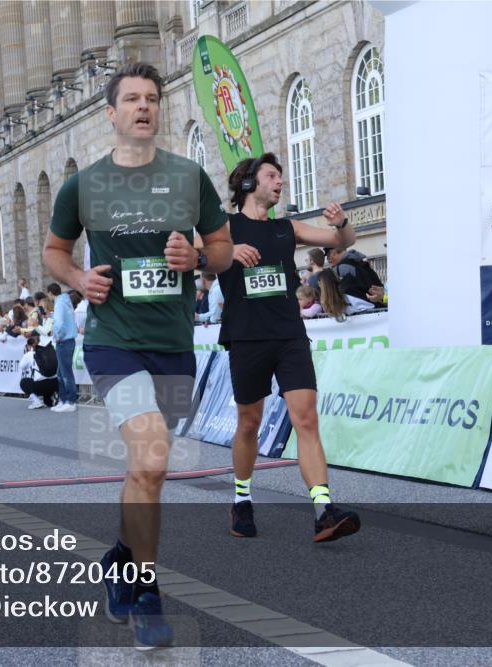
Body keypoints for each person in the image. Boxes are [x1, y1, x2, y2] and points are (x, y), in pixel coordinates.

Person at [43, 62, 233, 649]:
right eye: (131, 99)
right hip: (112, 341)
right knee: (150, 461)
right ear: (112, 113)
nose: (143, 107)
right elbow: (54, 250)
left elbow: (223, 251)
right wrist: (78, 277)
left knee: (144, 470)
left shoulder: (188, 178)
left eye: (152, 98)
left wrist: (197, 260)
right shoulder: (85, 185)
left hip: (173, 343)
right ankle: (147, 593)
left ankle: (123, 556)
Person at [219, 152, 361, 542]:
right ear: (249, 183)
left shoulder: (288, 228)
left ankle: (323, 510)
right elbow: (186, 257)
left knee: (307, 419)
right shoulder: (225, 228)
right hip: (246, 336)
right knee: (249, 422)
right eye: (271, 176)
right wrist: (225, 252)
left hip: (289, 336)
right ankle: (242, 499)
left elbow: (340, 242)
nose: (280, 182)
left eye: (281, 177)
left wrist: (342, 224)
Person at [48, 282, 78, 412]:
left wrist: (58, 336)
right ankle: (64, 400)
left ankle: (70, 401)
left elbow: (59, 323)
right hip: (69, 340)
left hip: (64, 341)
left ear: (50, 293)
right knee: (61, 373)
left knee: (65, 373)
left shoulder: (59, 303)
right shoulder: (65, 301)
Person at [20, 336, 59, 409]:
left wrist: (27, 353)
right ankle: (52, 398)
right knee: (46, 380)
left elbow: (22, 366)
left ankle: (36, 401)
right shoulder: (50, 350)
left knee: (23, 382)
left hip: (41, 386)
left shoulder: (29, 354)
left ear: (30, 345)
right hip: (55, 384)